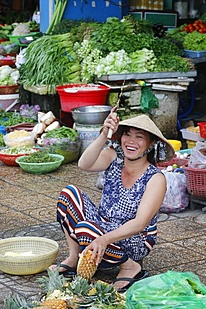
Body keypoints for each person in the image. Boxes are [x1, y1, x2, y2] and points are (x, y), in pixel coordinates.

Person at [51, 110, 174, 292]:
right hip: (102, 225)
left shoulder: (155, 178)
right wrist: (103, 135)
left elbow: (140, 223)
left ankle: (130, 266)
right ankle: (73, 256)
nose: (131, 141)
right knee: (69, 193)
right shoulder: (113, 157)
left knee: (86, 229)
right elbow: (84, 164)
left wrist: (103, 239)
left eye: (139, 137)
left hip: (135, 238)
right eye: (127, 134)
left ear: (151, 143)